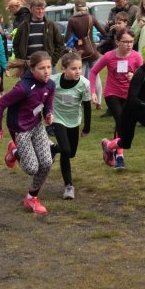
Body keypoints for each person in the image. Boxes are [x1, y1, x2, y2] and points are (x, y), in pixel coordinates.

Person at [100, 42, 145, 183]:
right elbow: (132, 99)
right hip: (131, 110)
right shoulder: (140, 74)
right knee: (125, 143)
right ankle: (108, 146)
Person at [0, 51, 56, 214]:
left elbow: (47, 103)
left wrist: (48, 114)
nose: (47, 71)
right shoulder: (23, 87)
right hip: (20, 128)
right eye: (42, 68)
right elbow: (0, 104)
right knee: (32, 168)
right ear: (32, 70)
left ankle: (31, 198)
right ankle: (14, 150)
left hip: (37, 125)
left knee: (47, 163)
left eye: (49, 67)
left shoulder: (50, 84)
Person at [90, 28, 143, 171]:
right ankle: (119, 156)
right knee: (120, 122)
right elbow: (93, 72)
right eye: (125, 42)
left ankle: (108, 146)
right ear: (117, 42)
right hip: (112, 93)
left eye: (131, 42)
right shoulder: (108, 56)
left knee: (124, 124)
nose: (129, 45)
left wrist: (135, 76)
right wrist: (93, 92)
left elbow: (144, 75)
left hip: (129, 95)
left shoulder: (137, 57)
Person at [50, 51, 91, 199]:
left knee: (71, 153)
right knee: (66, 151)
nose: (78, 71)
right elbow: (43, 95)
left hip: (74, 121)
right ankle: (68, 186)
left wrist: (87, 127)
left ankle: (52, 148)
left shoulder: (84, 84)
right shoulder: (53, 81)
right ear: (63, 69)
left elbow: (87, 106)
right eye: (73, 68)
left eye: (80, 68)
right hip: (58, 119)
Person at [65, 0, 106, 108]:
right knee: (96, 75)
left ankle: (78, 102)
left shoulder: (72, 20)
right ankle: (98, 102)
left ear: (75, 8)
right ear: (86, 8)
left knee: (79, 77)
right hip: (93, 51)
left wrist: (75, 41)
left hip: (79, 53)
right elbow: (104, 33)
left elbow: (67, 38)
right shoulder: (91, 18)